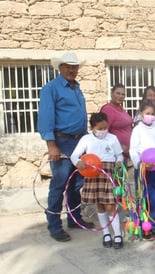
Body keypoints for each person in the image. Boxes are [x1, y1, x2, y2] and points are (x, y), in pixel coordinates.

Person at [38, 51, 93, 242]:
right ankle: (54, 226)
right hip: (61, 142)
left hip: (79, 142)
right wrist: (51, 145)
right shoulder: (50, 88)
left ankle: (74, 219)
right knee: (59, 185)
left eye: (74, 66)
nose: (72, 70)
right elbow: (46, 117)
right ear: (60, 68)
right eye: (68, 66)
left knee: (76, 184)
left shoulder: (76, 88)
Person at [70, 112, 124, 249]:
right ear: (93, 127)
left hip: (108, 173)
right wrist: (78, 162)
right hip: (93, 173)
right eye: (99, 129)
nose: (103, 131)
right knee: (100, 204)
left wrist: (118, 161)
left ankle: (117, 234)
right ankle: (106, 233)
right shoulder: (86, 139)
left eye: (105, 128)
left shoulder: (112, 138)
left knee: (111, 204)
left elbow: (119, 155)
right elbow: (74, 155)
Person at [129, 102, 155, 241]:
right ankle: (142, 225)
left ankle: (153, 224)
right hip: (143, 168)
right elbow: (133, 149)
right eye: (147, 113)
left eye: (152, 114)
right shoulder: (138, 129)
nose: (150, 116)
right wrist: (139, 163)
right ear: (141, 114)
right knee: (143, 195)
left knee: (154, 195)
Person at [100, 83, 133, 160]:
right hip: (115, 153)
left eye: (123, 94)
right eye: (118, 93)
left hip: (125, 153)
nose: (121, 96)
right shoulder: (108, 109)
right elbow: (103, 132)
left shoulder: (121, 109)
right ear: (111, 93)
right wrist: (119, 146)